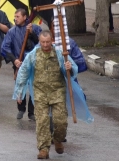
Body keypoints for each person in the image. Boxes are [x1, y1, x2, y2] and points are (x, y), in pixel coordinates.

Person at [13, 31, 92, 159]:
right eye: (43, 42)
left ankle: (58, 139)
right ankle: (43, 149)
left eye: (47, 42)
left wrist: (69, 67)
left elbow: (72, 71)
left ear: (51, 41)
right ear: (39, 41)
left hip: (57, 92)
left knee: (60, 121)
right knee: (42, 122)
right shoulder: (33, 55)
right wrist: (19, 92)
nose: (45, 45)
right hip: (40, 93)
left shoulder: (60, 54)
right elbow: (23, 73)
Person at [1, 8, 41, 120]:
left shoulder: (35, 28)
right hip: (19, 62)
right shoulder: (11, 31)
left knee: (34, 86)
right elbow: (5, 47)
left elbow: (42, 42)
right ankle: (21, 108)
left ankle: (32, 112)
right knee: (20, 85)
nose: (15, 19)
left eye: (18, 16)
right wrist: (14, 60)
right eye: (15, 16)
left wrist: (32, 34)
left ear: (25, 17)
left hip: (34, 62)